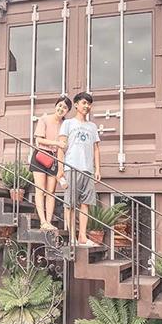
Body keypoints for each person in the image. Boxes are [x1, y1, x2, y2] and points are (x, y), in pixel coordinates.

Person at [57, 92, 101, 246]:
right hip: (71, 168)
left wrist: (97, 169)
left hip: (88, 169)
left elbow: (96, 149)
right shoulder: (68, 123)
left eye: (89, 104)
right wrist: (60, 169)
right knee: (70, 204)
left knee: (85, 203)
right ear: (76, 105)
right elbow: (61, 147)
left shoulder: (92, 126)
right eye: (84, 103)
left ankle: (82, 236)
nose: (87, 106)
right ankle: (71, 237)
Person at [30, 96, 73, 230]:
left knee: (51, 192)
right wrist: (57, 143)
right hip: (41, 156)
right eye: (60, 105)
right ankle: (42, 221)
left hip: (55, 158)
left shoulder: (66, 124)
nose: (61, 109)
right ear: (56, 106)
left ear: (68, 111)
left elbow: (65, 145)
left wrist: (61, 164)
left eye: (65, 107)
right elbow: (39, 140)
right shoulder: (44, 119)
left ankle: (48, 222)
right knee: (40, 189)